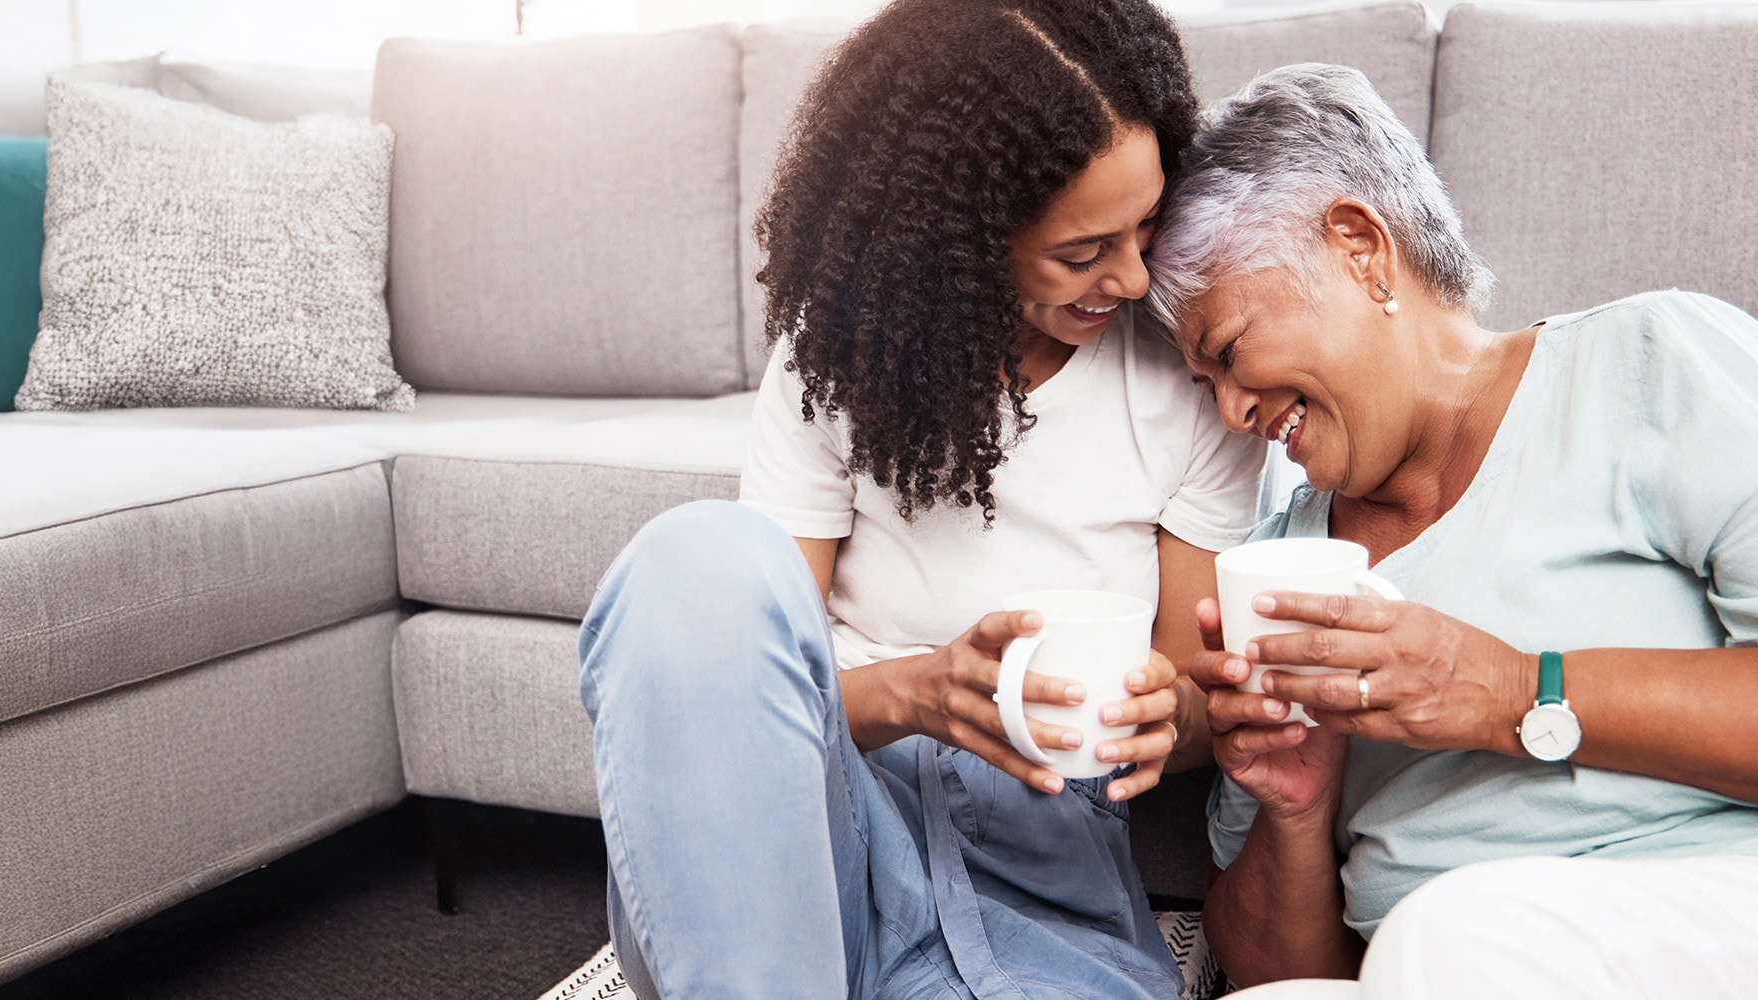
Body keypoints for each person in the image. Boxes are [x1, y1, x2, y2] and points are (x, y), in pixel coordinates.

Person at [575, 0, 1269, 996]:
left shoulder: (1183, 375)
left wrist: (1178, 713)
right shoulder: (834, 357)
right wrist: (920, 694)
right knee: (695, 558)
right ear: (968, 231)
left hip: (1045, 872)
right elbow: (747, 683)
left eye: (1147, 225)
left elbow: (1197, 691)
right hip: (808, 842)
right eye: (1083, 251)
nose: (1127, 276)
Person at [1141, 63, 1758, 998]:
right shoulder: (1273, 564)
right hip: (1422, 967)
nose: (1231, 411)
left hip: (1691, 901)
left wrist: (1509, 691)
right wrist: (1298, 811)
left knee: (1453, 935)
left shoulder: (1646, 367)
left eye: (1230, 353)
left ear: (1359, 247)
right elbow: (1277, 966)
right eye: (1205, 387)